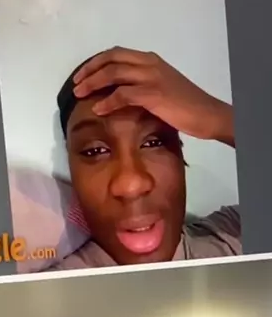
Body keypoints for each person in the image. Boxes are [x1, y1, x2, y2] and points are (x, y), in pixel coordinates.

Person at [54, 46, 241, 270]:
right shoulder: (42, 287)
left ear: (180, 152)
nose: (131, 186)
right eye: (95, 151)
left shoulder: (234, 238)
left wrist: (220, 118)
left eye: (154, 142)